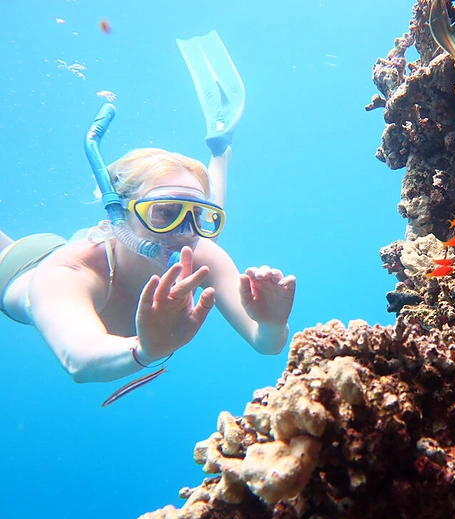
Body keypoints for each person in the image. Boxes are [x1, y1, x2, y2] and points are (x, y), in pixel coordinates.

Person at [0, 31, 295, 384]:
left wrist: (273, 324)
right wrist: (144, 351)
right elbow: (78, 359)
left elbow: (266, 346)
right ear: (119, 215)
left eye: (197, 216)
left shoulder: (199, 251)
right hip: (17, 267)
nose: (185, 232)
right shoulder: (69, 272)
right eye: (164, 213)